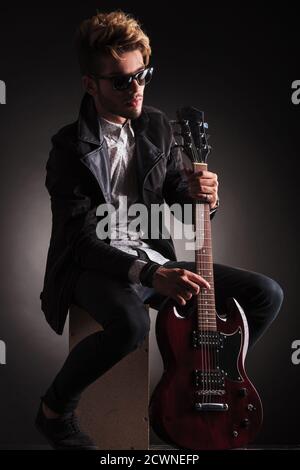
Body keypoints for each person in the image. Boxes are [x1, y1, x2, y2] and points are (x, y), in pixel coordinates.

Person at [36, 11, 284, 450]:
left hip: (151, 255)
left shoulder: (155, 126)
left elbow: (176, 197)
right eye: (120, 81)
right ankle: (55, 411)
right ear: (90, 84)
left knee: (266, 293)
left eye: (142, 75)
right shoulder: (67, 147)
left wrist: (203, 193)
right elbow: (80, 241)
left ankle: (202, 375)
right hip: (92, 263)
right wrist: (152, 276)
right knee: (131, 326)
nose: (136, 89)